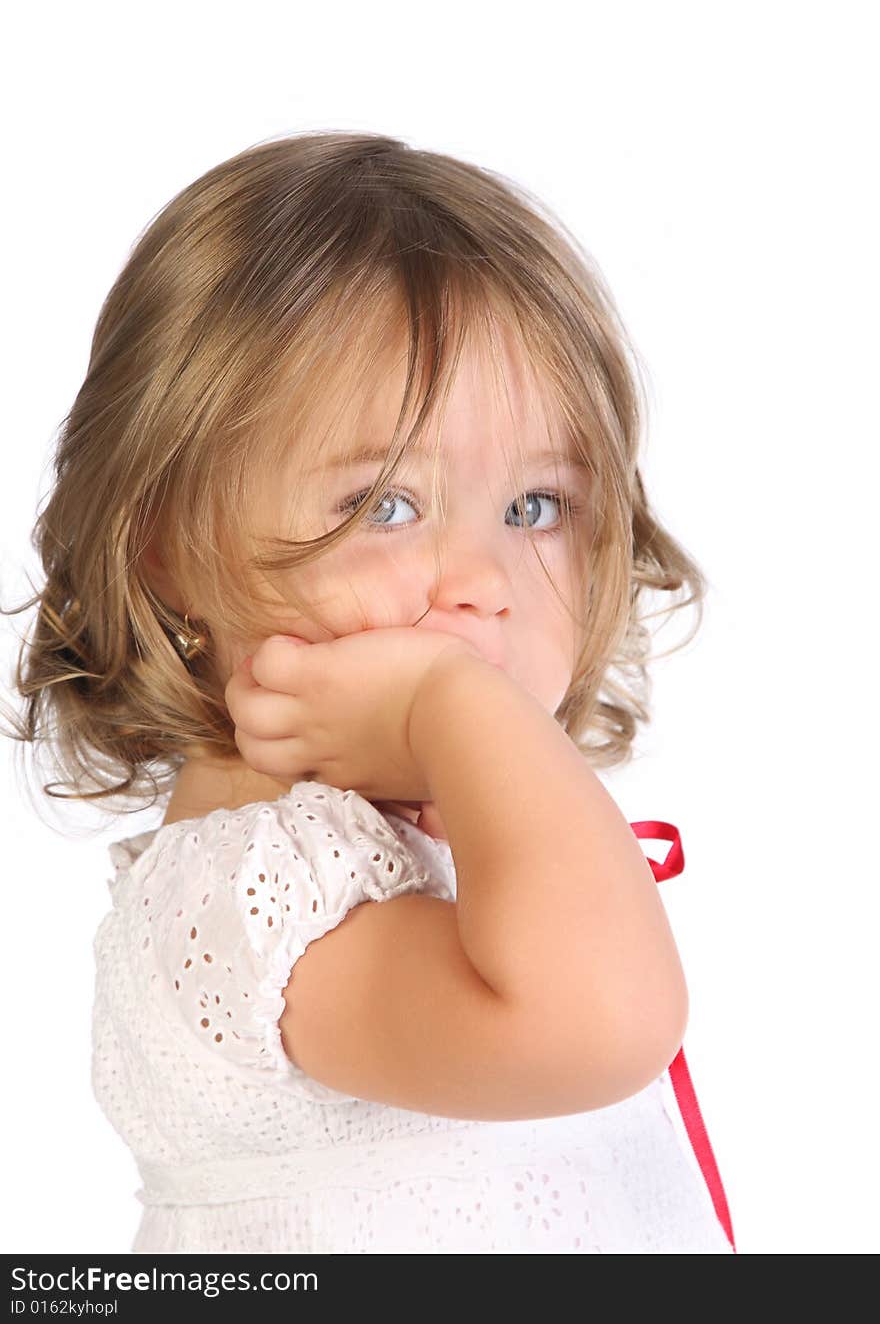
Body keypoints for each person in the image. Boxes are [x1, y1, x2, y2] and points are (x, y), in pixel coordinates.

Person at [2, 130, 736, 1254]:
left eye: (537, 506)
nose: (484, 581)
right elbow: (602, 1023)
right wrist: (453, 701)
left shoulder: (436, 844)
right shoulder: (258, 894)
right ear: (162, 546)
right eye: (386, 505)